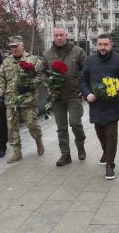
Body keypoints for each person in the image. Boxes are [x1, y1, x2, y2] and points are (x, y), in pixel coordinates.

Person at [79, 33, 119, 180]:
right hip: (95, 104)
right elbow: (83, 80)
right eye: (100, 44)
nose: (102, 47)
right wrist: (87, 94)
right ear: (97, 45)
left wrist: (116, 88)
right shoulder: (90, 60)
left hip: (112, 104)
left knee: (111, 135)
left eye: (105, 45)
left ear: (111, 45)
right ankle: (105, 151)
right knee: (100, 132)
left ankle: (110, 164)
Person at [0, 36, 44, 164]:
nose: (14, 49)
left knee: (32, 125)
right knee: (11, 127)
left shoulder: (33, 60)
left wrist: (30, 85)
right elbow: (1, 80)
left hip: (28, 100)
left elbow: (40, 76)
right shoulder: (6, 62)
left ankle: (38, 140)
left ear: (22, 46)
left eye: (16, 46)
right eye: (11, 47)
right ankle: (17, 152)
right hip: (11, 101)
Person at [43, 27, 87, 166]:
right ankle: (65, 154)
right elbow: (42, 72)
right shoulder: (47, 54)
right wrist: (48, 83)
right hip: (57, 96)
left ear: (66, 35)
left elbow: (86, 71)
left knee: (75, 123)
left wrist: (83, 88)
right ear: (53, 37)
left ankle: (80, 144)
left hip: (74, 94)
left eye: (61, 35)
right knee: (61, 127)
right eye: (56, 35)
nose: (59, 37)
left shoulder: (78, 51)